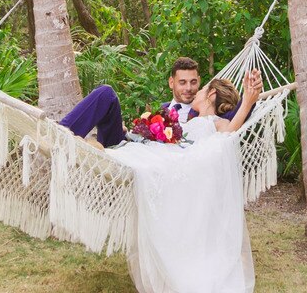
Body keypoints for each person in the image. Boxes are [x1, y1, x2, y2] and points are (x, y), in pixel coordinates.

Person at [106, 74, 262, 293]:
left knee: (138, 166)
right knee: (132, 157)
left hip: (177, 169)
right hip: (166, 158)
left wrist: (247, 102)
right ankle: (103, 151)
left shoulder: (217, 122)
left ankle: (97, 150)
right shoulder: (191, 122)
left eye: (201, 89)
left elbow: (227, 136)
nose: (195, 93)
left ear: (211, 94)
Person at [58, 55, 205, 148]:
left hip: (148, 165)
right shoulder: (159, 109)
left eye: (193, 82)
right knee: (106, 93)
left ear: (199, 81)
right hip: (128, 147)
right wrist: (128, 132)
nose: (188, 88)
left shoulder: (205, 113)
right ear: (171, 83)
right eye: (183, 82)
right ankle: (59, 134)